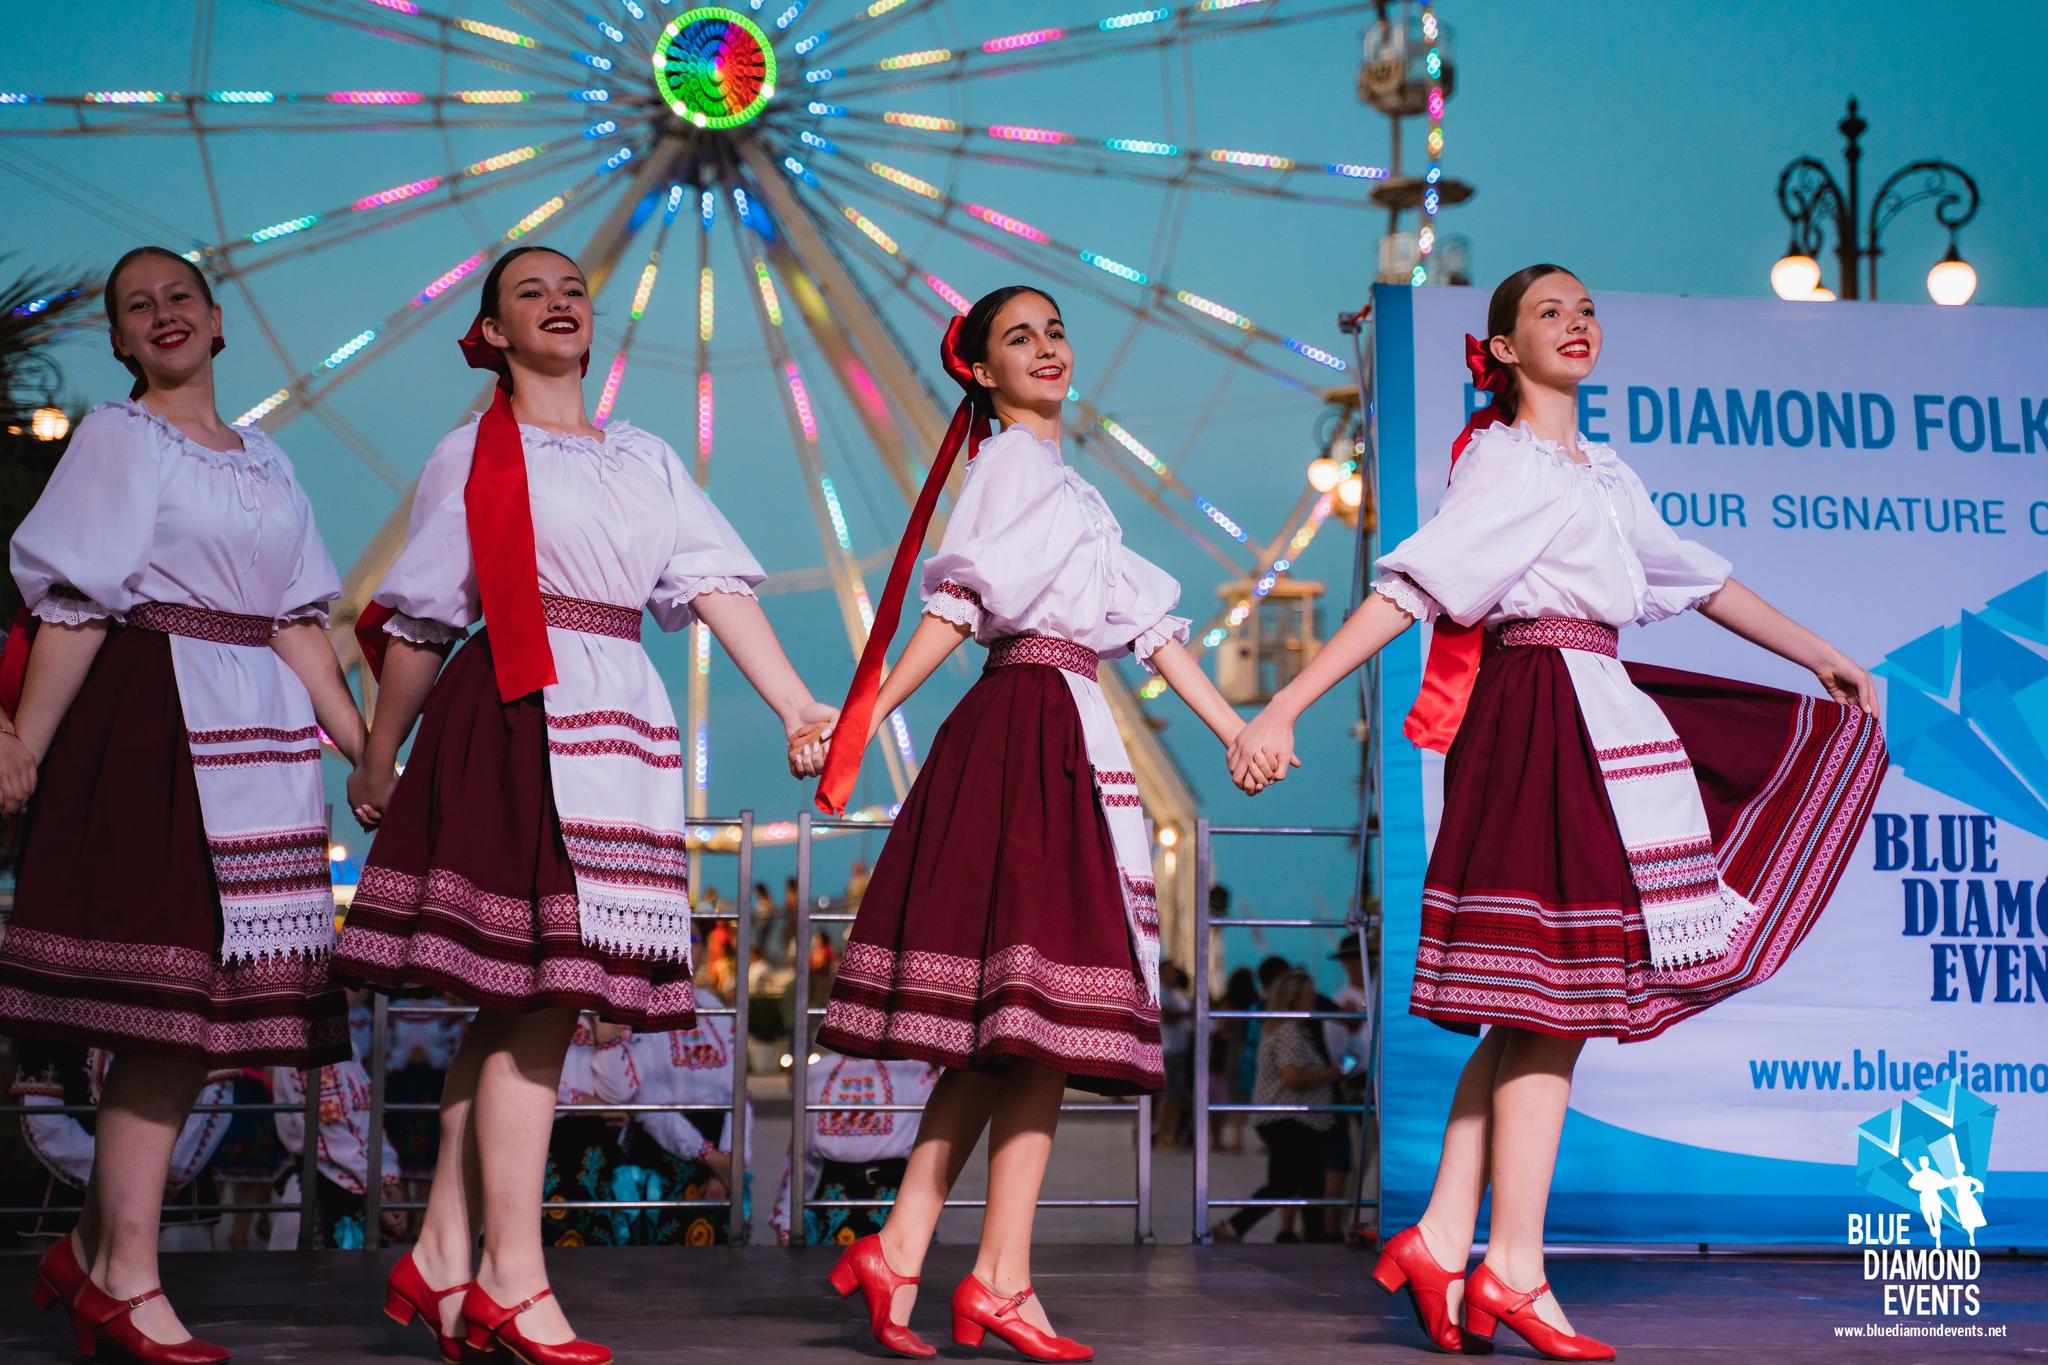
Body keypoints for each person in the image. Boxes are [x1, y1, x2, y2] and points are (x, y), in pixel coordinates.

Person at [1230, 264, 1886, 1358]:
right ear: (1498, 350)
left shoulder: (1599, 474)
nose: (1575, 323)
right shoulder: (1506, 464)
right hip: (1539, 716)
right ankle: (1512, 1269)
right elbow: (1412, 588)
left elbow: (1700, 580)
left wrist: (1824, 655)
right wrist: (1283, 705)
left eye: (1584, 309)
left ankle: (1446, 1238)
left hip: (1593, 715)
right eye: (1548, 313)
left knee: (1532, 1005)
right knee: (1553, 1004)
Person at [332, 245, 837, 1365]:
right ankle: (512, 1274)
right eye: (531, 292)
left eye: (572, 288)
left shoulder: (644, 457)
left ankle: (443, 1253)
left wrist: (799, 701)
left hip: (617, 720)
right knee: (535, 1000)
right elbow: (420, 620)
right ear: (494, 333)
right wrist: (379, 752)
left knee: (520, 1008)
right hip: (515, 712)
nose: (560, 300)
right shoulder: (472, 451)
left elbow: (712, 583)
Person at [805, 285, 1256, 1361]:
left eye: (1055, 330)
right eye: (1020, 337)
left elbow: (1149, 628)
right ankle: (992, 1275)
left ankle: (907, 1250)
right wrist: (861, 716)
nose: (1048, 348)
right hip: (1028, 728)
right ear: (980, 371)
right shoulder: (1009, 465)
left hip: (1057, 725)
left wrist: (1235, 727)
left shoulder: (1064, 486)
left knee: (1008, 1035)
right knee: (1034, 1024)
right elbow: (957, 608)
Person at [0, 244, 362, 1364]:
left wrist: (367, 749)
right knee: (158, 1013)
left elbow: (299, 621)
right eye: (135, 306)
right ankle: (129, 1276)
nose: (161, 314)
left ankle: (103, 1265)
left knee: (194, 1025)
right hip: (155, 723)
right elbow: (75, 605)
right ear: (117, 342)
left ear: (217, 323)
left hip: (258, 742)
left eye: (178, 298)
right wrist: (22, 746)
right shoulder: (119, 438)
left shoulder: (267, 461)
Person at [1211, 969, 1342, 1244]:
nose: (1313, 999)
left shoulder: (1284, 1027)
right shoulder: (1290, 1030)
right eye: (1308, 993)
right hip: (1288, 1119)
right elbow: (1293, 1077)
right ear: (1294, 998)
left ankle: (1315, 1236)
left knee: (1308, 1180)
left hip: (1289, 1119)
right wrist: (1333, 1074)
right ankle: (1235, 1226)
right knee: (1289, 1181)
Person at [772, 1052, 940, 1247]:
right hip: (834, 1195)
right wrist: (786, 1218)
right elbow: (802, 1152)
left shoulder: (917, 1069)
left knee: (900, 1271)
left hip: (895, 1192)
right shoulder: (816, 1073)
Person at [1154, 963, 1194, 1151]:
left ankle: (1170, 1136)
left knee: (1176, 1096)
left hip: (1176, 1051)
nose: (1175, 973)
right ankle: (1163, 1137)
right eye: (1171, 970)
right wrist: (1190, 1012)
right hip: (1168, 1052)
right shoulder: (1161, 992)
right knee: (1169, 1097)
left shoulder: (1171, 994)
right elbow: (1166, 1017)